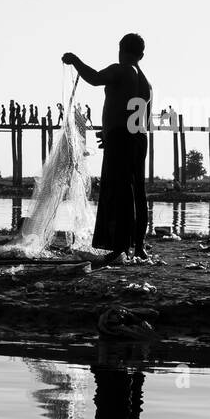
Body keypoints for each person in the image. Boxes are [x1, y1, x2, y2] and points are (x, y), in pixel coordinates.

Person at [63, 33, 152, 264]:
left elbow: (93, 78)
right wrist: (111, 132)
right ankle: (139, 246)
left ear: (121, 50)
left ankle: (120, 246)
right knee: (138, 192)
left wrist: (75, 60)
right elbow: (142, 119)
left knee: (120, 191)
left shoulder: (120, 70)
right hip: (139, 139)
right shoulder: (146, 83)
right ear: (141, 55)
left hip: (122, 139)